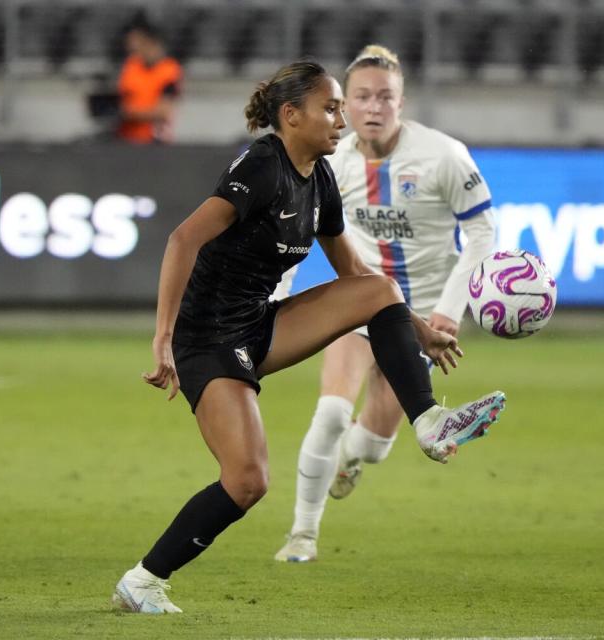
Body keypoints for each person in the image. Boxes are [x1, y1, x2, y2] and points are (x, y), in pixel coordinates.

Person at [111, 59, 504, 614]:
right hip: (208, 339)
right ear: (291, 116)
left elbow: (357, 277)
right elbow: (181, 240)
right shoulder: (263, 166)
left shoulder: (320, 179)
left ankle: (430, 422)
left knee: (378, 288)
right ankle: (144, 579)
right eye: (332, 107)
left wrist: (420, 331)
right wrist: (163, 338)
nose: (341, 119)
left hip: (260, 321)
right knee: (247, 482)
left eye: (342, 107)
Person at [274, 45, 498, 564]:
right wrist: (276, 299)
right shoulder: (332, 161)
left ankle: (354, 457)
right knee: (330, 412)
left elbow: (483, 232)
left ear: (402, 103)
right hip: (359, 304)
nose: (373, 107)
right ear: (344, 105)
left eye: (385, 97)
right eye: (361, 97)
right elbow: (297, 234)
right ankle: (302, 536)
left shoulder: (444, 156)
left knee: (372, 444)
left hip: (420, 316)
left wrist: (450, 307)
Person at [116, 13, 182, 144]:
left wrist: (129, 113)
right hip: (126, 138)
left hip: (153, 142)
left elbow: (163, 111)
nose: (132, 47)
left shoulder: (169, 70)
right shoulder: (131, 66)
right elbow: (122, 98)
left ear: (150, 42)